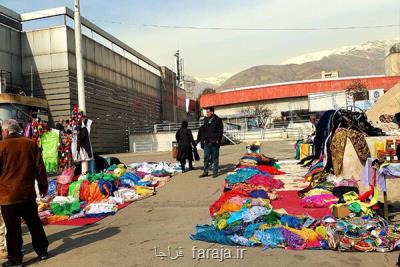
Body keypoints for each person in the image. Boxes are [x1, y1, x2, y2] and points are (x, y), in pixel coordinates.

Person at [0, 119, 49, 267]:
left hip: (8, 196)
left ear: (6, 131)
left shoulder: (1, 146)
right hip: (27, 193)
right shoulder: (30, 144)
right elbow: (40, 168)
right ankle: (42, 252)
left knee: (13, 229)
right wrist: (43, 187)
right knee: (34, 224)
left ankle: (15, 260)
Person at [199, 107, 223, 178]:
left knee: (215, 157)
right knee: (206, 157)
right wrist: (202, 140)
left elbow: (220, 131)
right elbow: (203, 130)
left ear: (212, 112)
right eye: (206, 112)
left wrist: (218, 140)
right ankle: (205, 171)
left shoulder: (218, 120)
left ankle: (215, 172)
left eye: (208, 112)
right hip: (207, 142)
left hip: (214, 142)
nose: (207, 113)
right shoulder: (206, 119)